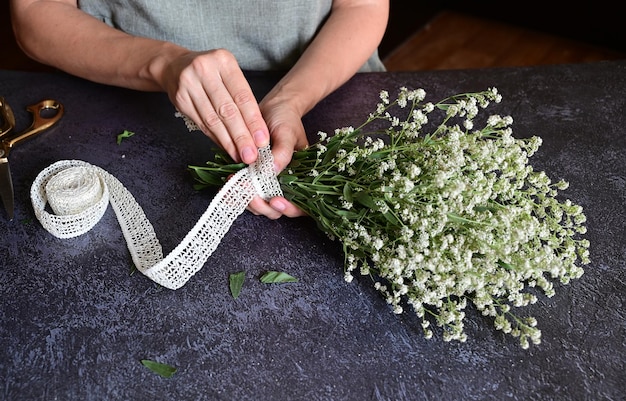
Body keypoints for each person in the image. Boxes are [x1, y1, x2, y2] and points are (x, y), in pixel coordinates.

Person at [10, 0, 389, 218]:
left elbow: (362, 6)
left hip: (327, 85)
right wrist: (161, 62)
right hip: (123, 100)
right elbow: (35, 12)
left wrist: (291, 99)